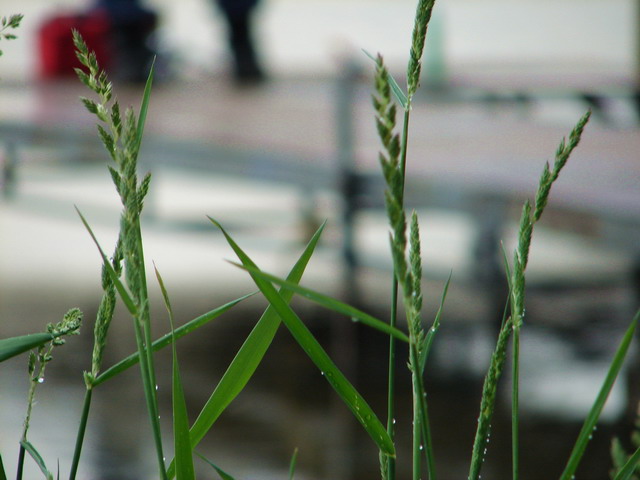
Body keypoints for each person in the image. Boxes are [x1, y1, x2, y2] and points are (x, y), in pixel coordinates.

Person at [214, 0, 265, 84]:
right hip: (240, 7)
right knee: (241, 35)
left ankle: (245, 69)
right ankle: (247, 69)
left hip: (235, 7)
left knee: (239, 36)